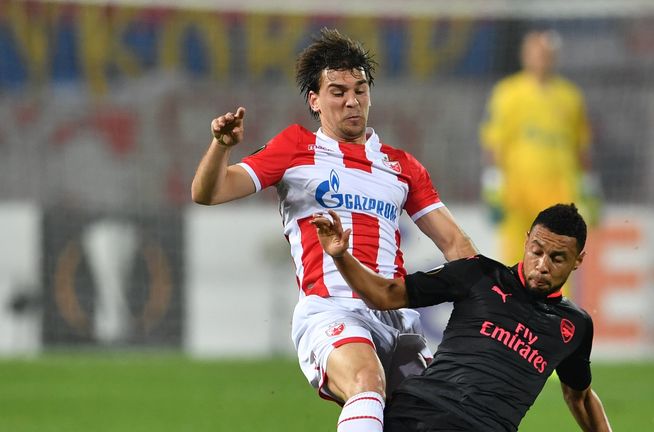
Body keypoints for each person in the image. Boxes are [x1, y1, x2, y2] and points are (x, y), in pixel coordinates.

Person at [190, 28, 477, 432]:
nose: (352, 101)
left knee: (441, 420)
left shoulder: (401, 166)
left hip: (397, 318)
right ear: (315, 100)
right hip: (331, 310)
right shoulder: (294, 148)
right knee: (365, 381)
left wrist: (493, 299)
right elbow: (209, 192)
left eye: (360, 89)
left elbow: (454, 243)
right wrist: (221, 146)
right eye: (338, 91)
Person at [312, 203, 612, 432]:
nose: (542, 265)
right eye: (536, 251)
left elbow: (581, 398)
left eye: (557, 258)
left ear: (578, 261)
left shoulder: (574, 327)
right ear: (526, 241)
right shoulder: (478, 274)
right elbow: (385, 294)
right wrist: (340, 256)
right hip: (417, 415)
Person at [479, 30, 599, 269]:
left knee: (558, 257)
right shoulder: (508, 94)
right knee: (515, 257)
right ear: (525, 55)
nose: (541, 59)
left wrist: (589, 186)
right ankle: (512, 305)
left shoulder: (570, 96)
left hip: (559, 191)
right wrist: (493, 185)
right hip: (518, 190)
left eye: (546, 54)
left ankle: (553, 307)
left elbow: (581, 145)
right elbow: (494, 142)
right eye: (536, 53)